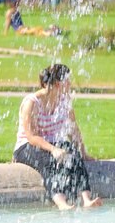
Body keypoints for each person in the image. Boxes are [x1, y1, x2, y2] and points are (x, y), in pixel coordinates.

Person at [13, 63, 103, 210]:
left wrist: (83, 152)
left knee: (73, 154)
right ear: (56, 84)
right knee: (50, 162)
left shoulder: (64, 101)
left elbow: (73, 129)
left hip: (53, 144)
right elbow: (31, 137)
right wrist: (53, 149)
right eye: (67, 80)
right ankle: (61, 203)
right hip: (27, 146)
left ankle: (86, 199)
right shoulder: (32, 102)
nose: (70, 83)